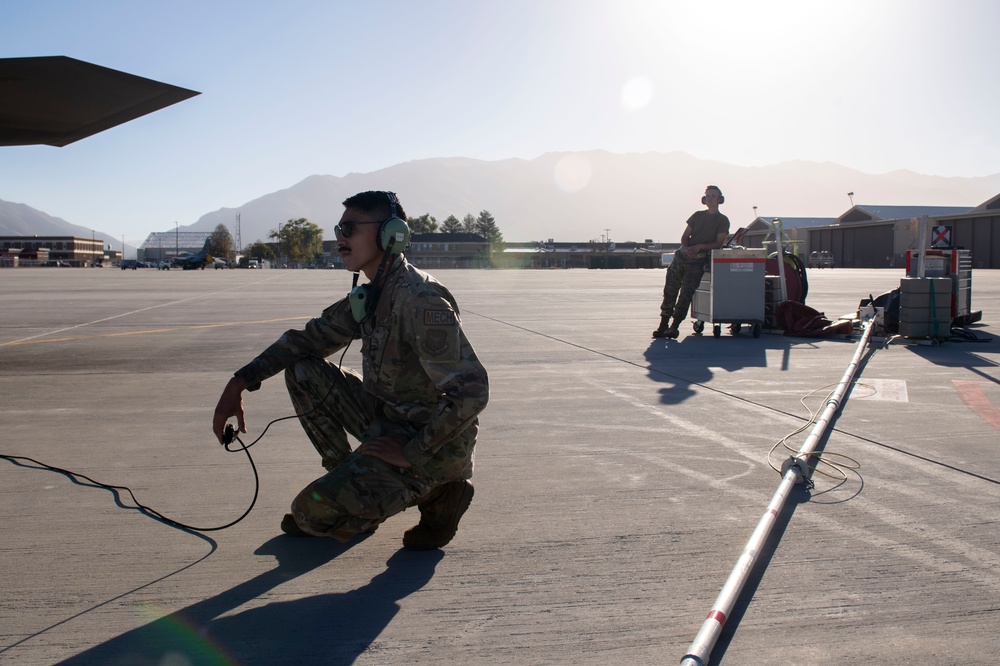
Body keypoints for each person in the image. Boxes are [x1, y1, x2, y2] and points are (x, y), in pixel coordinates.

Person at [212, 190, 489, 550]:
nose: (340, 238)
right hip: (386, 419)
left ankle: (441, 492)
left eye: (350, 228)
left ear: (392, 234)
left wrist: (412, 452)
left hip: (432, 447)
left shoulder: (420, 300)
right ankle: (351, 484)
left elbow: (472, 391)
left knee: (310, 514)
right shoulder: (373, 295)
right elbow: (306, 341)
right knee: (303, 369)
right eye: (339, 228)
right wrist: (239, 382)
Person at [653, 185, 731, 338]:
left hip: (697, 262)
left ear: (720, 199)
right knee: (670, 290)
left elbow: (718, 243)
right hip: (682, 257)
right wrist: (687, 247)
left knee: (686, 294)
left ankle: (674, 326)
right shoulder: (697, 216)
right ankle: (663, 325)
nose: (710, 198)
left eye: (713, 196)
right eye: (707, 195)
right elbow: (685, 236)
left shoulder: (722, 221)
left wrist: (700, 247)